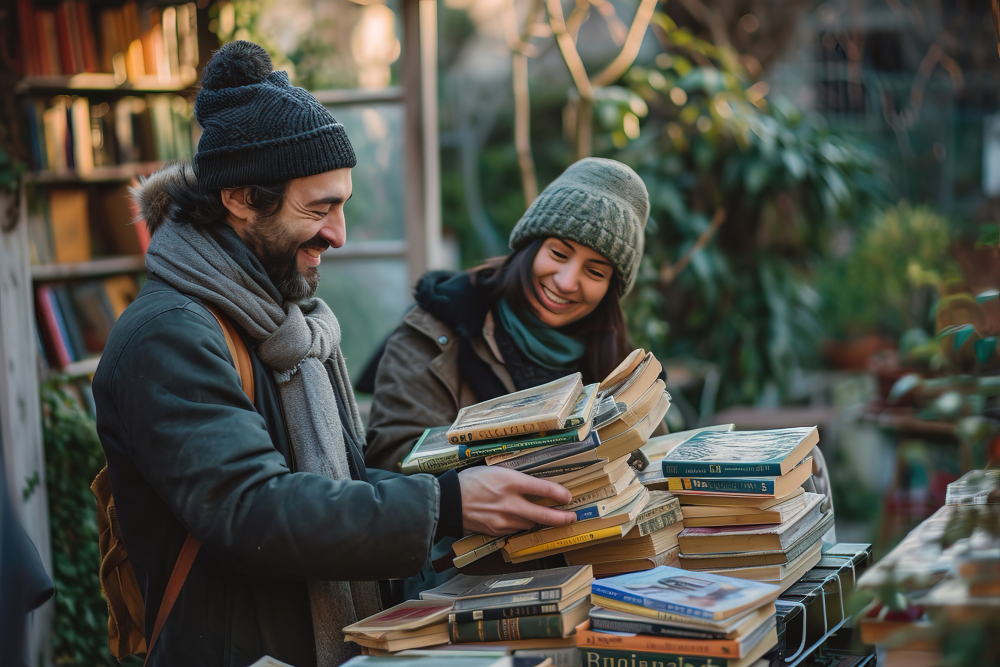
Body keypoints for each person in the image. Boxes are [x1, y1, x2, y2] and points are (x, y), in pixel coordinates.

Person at [92, 41, 576, 667]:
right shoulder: (170, 335)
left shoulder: (286, 320)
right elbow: (254, 510)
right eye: (318, 209)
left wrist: (459, 493)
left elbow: (332, 484)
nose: (338, 234)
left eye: (341, 205)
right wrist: (448, 504)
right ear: (240, 198)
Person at [365, 157, 650, 472]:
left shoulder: (620, 362)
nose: (567, 282)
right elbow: (392, 464)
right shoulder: (434, 332)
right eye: (558, 253)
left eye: (595, 272)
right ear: (529, 248)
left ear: (610, 289)